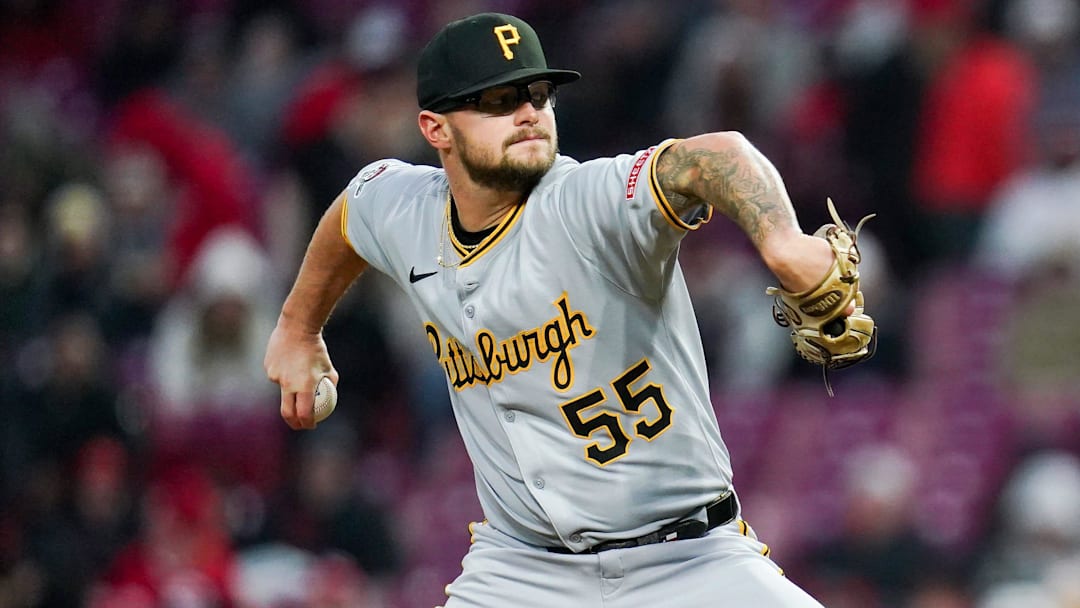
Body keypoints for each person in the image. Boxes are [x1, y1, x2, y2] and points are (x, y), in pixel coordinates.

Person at [265, 12, 852, 607]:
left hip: (686, 561)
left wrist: (782, 238)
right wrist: (298, 326)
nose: (528, 113)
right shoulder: (405, 210)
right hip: (520, 571)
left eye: (538, 94)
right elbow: (352, 211)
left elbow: (713, 157)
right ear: (435, 128)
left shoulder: (585, 203)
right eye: (497, 100)